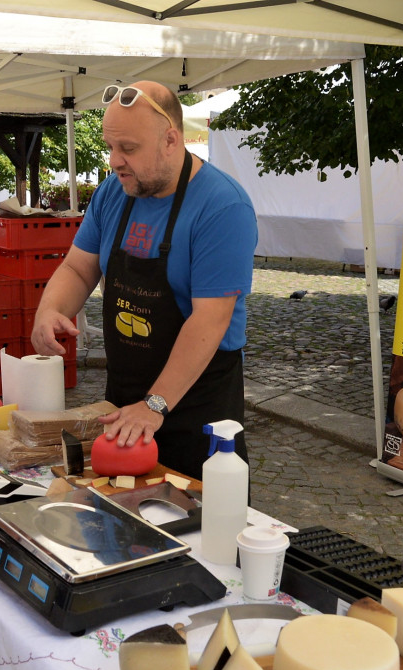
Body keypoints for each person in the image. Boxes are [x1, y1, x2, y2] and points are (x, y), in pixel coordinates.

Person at [30, 80, 257, 479]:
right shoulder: (112, 194)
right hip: (124, 397)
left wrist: (155, 405)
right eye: (111, 147)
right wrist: (50, 310)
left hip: (195, 406)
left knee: (196, 527)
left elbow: (211, 318)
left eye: (128, 149)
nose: (115, 161)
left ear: (171, 140)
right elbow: (78, 268)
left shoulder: (223, 206)